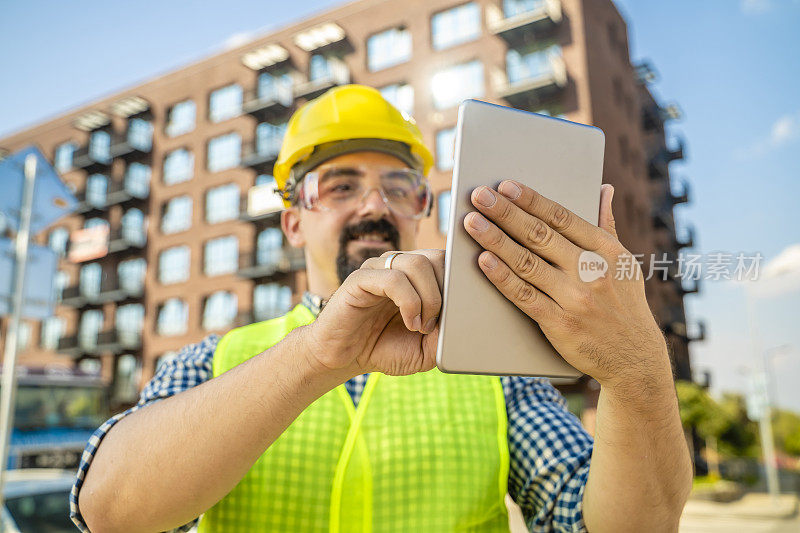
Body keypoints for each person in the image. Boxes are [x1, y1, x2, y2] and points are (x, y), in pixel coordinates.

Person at [71, 85, 692, 533]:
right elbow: (110, 512)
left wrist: (637, 372)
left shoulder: (497, 373)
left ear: (424, 210)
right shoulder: (215, 363)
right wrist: (320, 353)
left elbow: (617, 526)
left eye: (399, 187)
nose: (374, 206)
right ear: (292, 222)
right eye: (340, 185)